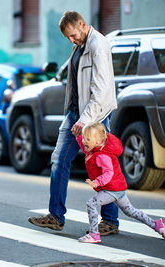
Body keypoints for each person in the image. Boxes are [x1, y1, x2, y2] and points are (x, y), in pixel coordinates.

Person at [28, 10, 120, 235]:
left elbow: (101, 89)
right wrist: (73, 114)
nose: (71, 39)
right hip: (75, 114)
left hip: (94, 116)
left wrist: (85, 120)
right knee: (59, 159)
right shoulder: (79, 45)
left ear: (82, 24)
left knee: (103, 166)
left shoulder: (98, 45)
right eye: (68, 37)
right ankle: (56, 216)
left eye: (73, 35)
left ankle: (110, 221)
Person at [76, 122, 165, 243]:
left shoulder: (102, 156)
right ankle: (156, 225)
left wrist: (96, 183)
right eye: (84, 138)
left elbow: (109, 173)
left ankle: (94, 235)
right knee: (130, 211)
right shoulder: (95, 149)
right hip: (117, 188)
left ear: (98, 142)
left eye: (87, 139)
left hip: (112, 189)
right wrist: (78, 136)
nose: (84, 141)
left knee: (91, 204)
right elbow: (87, 149)